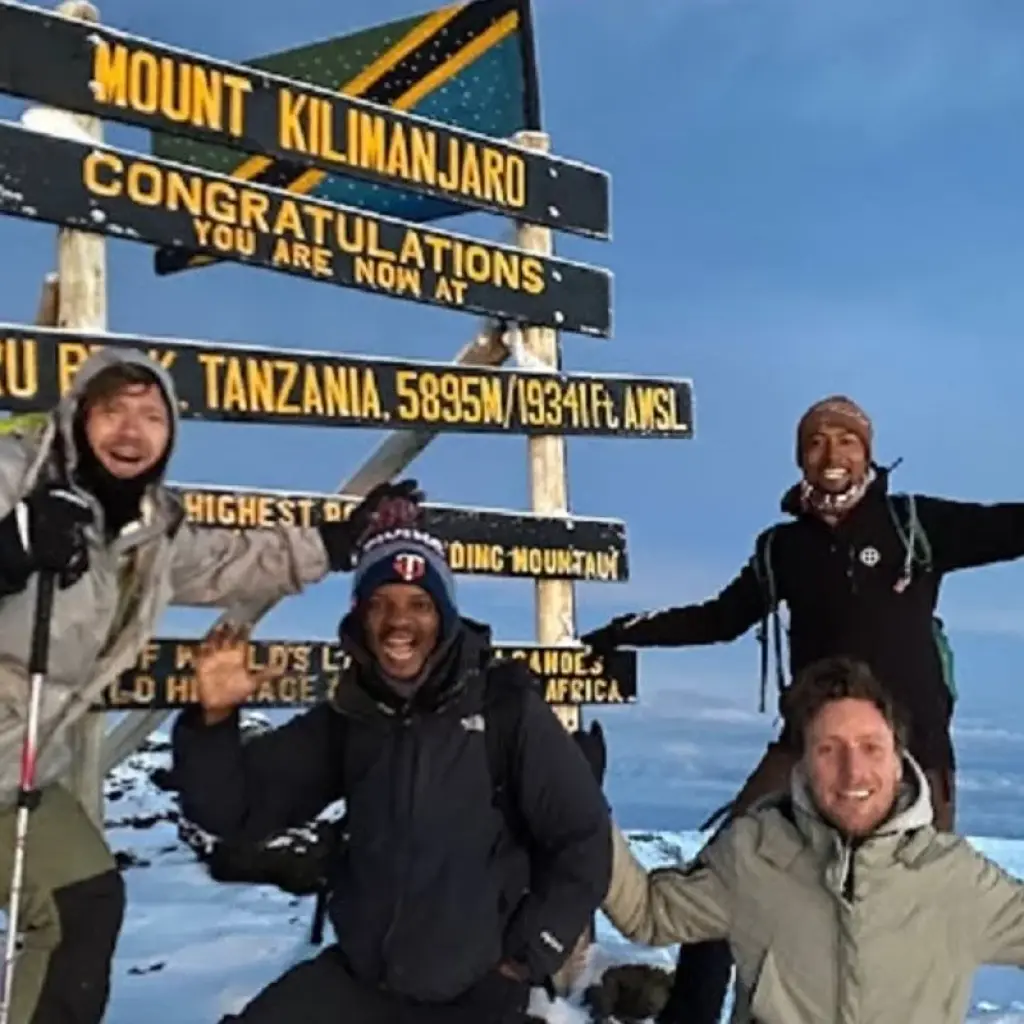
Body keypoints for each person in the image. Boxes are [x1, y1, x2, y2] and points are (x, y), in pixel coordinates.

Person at [0, 343, 417, 1024]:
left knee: (85, 901)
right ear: (77, 416)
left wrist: (339, 542)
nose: (131, 431)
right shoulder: (16, 476)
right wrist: (10, 546)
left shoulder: (150, 531)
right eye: (112, 411)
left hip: (14, 772)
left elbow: (230, 561)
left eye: (151, 417)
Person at [580, 394, 1024, 1023]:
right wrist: (630, 628)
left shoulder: (914, 524)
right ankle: (694, 1013)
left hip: (913, 756)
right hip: (803, 745)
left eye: (846, 440)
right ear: (801, 459)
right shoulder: (782, 549)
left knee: (907, 908)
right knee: (726, 867)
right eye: (817, 442)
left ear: (867, 450)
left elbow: (1011, 527)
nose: (832, 454)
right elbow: (720, 619)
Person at [170, 524, 613, 1023]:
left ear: (444, 617)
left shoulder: (506, 710)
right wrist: (214, 721)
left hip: (475, 992)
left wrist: (530, 954)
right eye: (380, 603)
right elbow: (233, 811)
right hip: (361, 981)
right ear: (360, 617)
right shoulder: (351, 716)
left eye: (419, 604)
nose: (398, 622)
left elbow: (584, 837)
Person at [601, 655, 1024, 1024]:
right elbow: (648, 913)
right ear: (803, 764)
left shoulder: (955, 879)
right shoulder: (754, 855)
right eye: (828, 749)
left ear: (899, 761)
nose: (853, 772)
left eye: (871, 747)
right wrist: (580, 809)